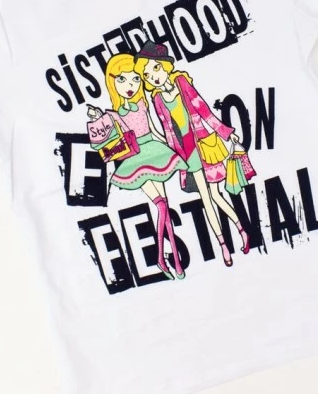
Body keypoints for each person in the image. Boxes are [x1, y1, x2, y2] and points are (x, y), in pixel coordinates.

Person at [134, 41, 251, 267]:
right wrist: (172, 159)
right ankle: (224, 246)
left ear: (165, 65)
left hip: (205, 146)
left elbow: (204, 111)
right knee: (207, 199)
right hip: (187, 155)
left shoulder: (182, 82)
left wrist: (227, 133)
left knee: (217, 195)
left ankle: (242, 231)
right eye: (147, 75)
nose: (153, 77)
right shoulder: (157, 100)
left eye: (155, 68)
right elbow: (168, 131)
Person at [87, 53, 187, 280]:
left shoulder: (142, 104)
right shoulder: (113, 114)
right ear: (112, 82)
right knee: (161, 206)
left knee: (165, 206)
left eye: (135, 79)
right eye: (122, 80)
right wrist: (98, 116)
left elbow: (155, 129)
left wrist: (172, 146)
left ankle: (174, 260)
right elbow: (106, 136)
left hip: (155, 151)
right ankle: (162, 258)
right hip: (135, 159)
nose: (129, 86)